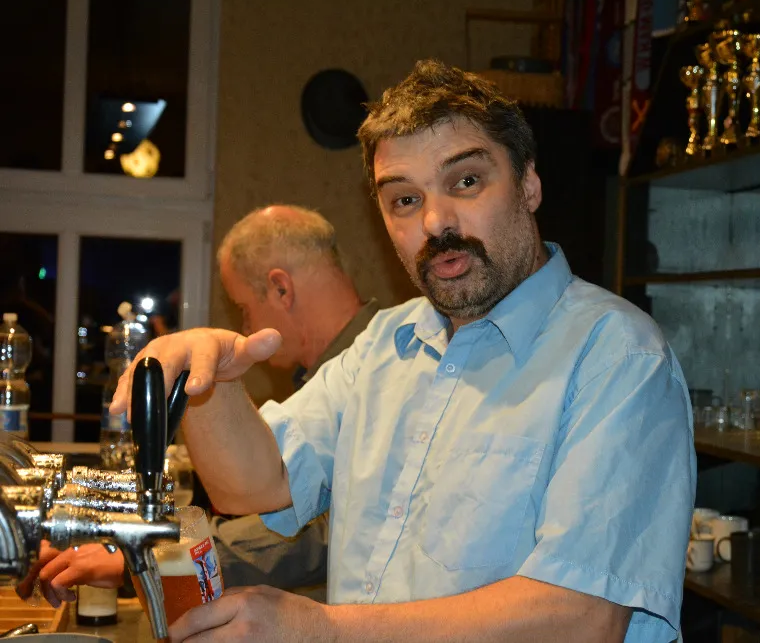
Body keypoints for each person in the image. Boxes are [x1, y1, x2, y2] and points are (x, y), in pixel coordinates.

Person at [110, 59, 694, 643]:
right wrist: (209, 378)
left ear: (529, 185)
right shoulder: (386, 342)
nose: (437, 222)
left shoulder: (618, 356)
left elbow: (583, 617)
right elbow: (253, 485)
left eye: (466, 181)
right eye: (405, 200)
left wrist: (324, 630)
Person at [18, 206, 379, 605]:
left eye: (243, 309)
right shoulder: (332, 373)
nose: (246, 327)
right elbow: (260, 494)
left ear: (281, 289)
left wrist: (147, 555)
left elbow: (322, 532)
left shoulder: (388, 367)